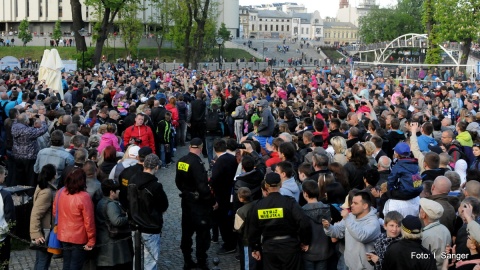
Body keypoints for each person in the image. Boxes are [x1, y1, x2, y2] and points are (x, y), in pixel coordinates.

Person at [248, 172, 312, 270]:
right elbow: (303, 222)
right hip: (289, 246)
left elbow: (253, 229)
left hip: (269, 248)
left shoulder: (259, 205)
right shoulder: (289, 202)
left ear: (266, 186)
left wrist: (255, 248)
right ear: (281, 184)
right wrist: (304, 241)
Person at [175, 138, 215, 270]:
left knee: (186, 232)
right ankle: (201, 261)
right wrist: (211, 201)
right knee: (202, 233)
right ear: (201, 147)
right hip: (199, 204)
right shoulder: (197, 163)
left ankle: (187, 260)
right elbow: (202, 186)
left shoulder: (181, 161)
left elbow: (178, 181)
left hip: (186, 201)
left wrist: (186, 192)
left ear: (189, 147)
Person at [323, 191, 381, 270]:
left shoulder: (373, 222)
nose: (351, 205)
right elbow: (338, 231)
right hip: (349, 265)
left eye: (355, 203)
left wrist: (347, 219)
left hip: (365, 267)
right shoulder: (350, 216)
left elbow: (362, 236)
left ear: (365, 206)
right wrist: (328, 227)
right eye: (352, 202)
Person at [130, 153, 168, 270]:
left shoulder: (133, 180)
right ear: (156, 167)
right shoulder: (155, 186)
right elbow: (164, 205)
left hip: (134, 224)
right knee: (150, 261)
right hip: (150, 226)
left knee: (136, 258)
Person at [53, 168, 96, 270]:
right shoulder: (84, 197)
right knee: (75, 265)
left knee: (67, 262)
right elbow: (89, 221)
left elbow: (55, 212)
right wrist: (91, 240)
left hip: (63, 233)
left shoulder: (61, 192)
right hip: (78, 236)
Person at [95, 179, 133, 270]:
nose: (119, 191)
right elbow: (116, 221)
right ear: (112, 192)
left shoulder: (102, 201)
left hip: (104, 238)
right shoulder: (111, 205)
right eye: (117, 190)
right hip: (111, 241)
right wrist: (128, 218)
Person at [210, 139, 238, 255]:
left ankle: (229, 244)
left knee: (223, 221)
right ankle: (232, 241)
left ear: (215, 150)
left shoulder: (219, 162)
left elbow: (214, 179)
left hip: (221, 195)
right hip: (231, 193)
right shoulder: (232, 158)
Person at [302, 179, 335, 270]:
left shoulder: (302, 211)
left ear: (305, 194)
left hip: (308, 251)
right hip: (325, 250)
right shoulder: (328, 208)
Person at [30, 164, 57, 270]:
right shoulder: (47, 192)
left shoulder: (42, 187)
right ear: (53, 175)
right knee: (43, 261)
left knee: (40, 260)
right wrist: (36, 234)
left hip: (43, 230)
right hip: (44, 232)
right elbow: (35, 213)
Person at [12, 112, 48, 186]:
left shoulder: (14, 126)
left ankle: (20, 192)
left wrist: (29, 117)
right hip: (29, 156)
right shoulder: (28, 131)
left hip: (17, 155)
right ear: (26, 121)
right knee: (30, 177)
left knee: (20, 176)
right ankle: (29, 193)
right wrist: (43, 121)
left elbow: (17, 120)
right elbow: (43, 130)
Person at [419, 198, 451, 269]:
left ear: (424, 215)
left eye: (421, 208)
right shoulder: (445, 229)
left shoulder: (425, 235)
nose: (419, 210)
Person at [0, 165, 15, 269]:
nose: (5, 177)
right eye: (3, 174)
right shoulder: (5, 195)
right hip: (2, 236)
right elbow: (10, 216)